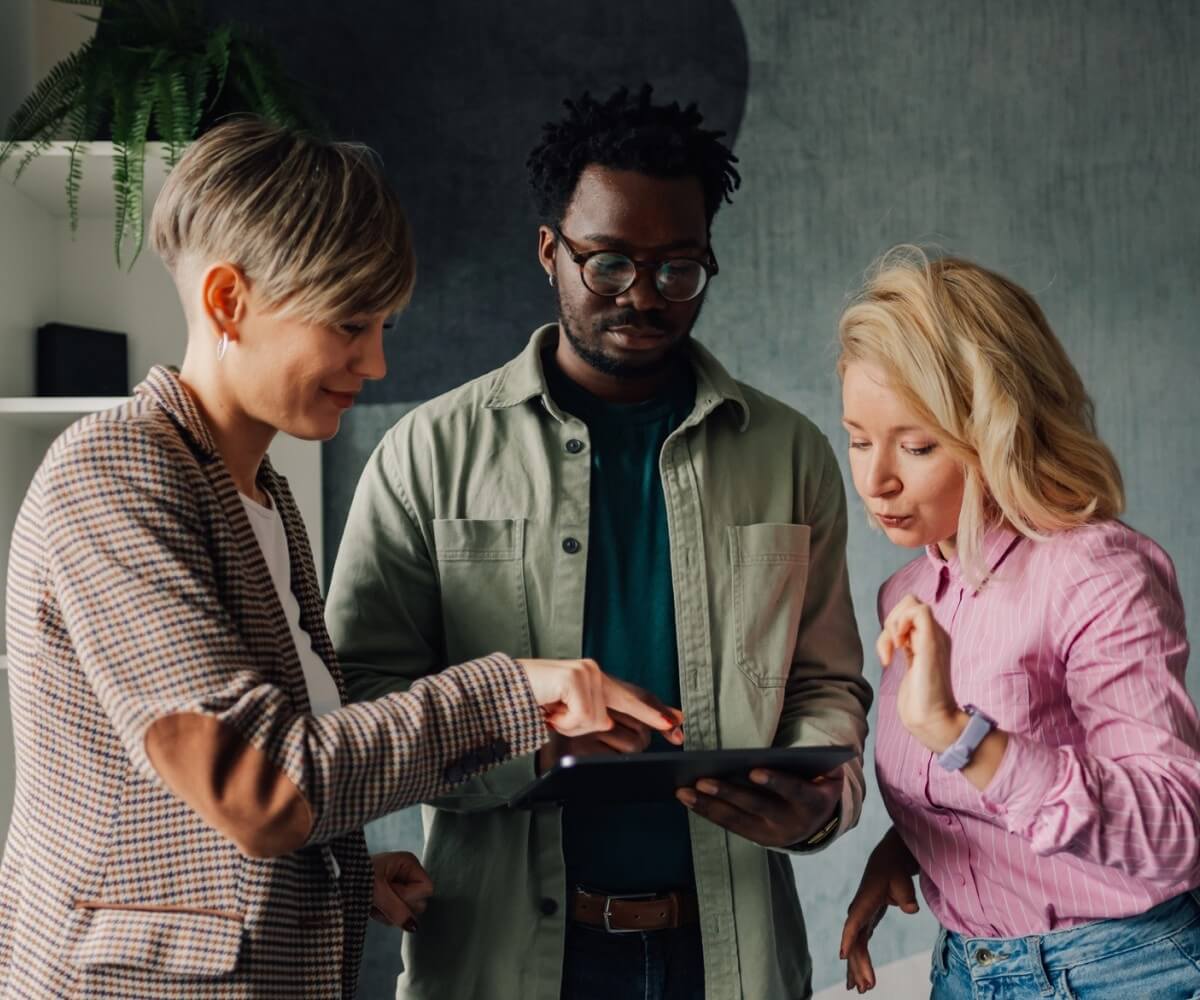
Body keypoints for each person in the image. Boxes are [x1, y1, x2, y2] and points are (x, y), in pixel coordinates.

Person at [0, 117, 680, 999]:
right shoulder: (116, 471)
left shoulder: (262, 494)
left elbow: (202, 816)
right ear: (226, 301)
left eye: (385, 323)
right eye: (349, 323)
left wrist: (346, 880)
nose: (378, 359)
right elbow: (260, 784)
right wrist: (512, 688)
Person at [327, 85, 871, 1000]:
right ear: (550, 251)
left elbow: (826, 685)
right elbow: (360, 709)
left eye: (677, 271)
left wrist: (821, 801)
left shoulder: (790, 455)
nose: (643, 297)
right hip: (500, 960)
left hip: (731, 957)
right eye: (609, 263)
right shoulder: (426, 454)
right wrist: (528, 747)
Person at [836, 248, 1200, 998]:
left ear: (1000, 428)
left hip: (1127, 973)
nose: (876, 481)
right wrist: (908, 845)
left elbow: (1175, 834)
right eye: (859, 439)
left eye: (917, 444)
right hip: (964, 969)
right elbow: (1000, 801)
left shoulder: (1096, 573)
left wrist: (959, 735)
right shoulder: (906, 592)